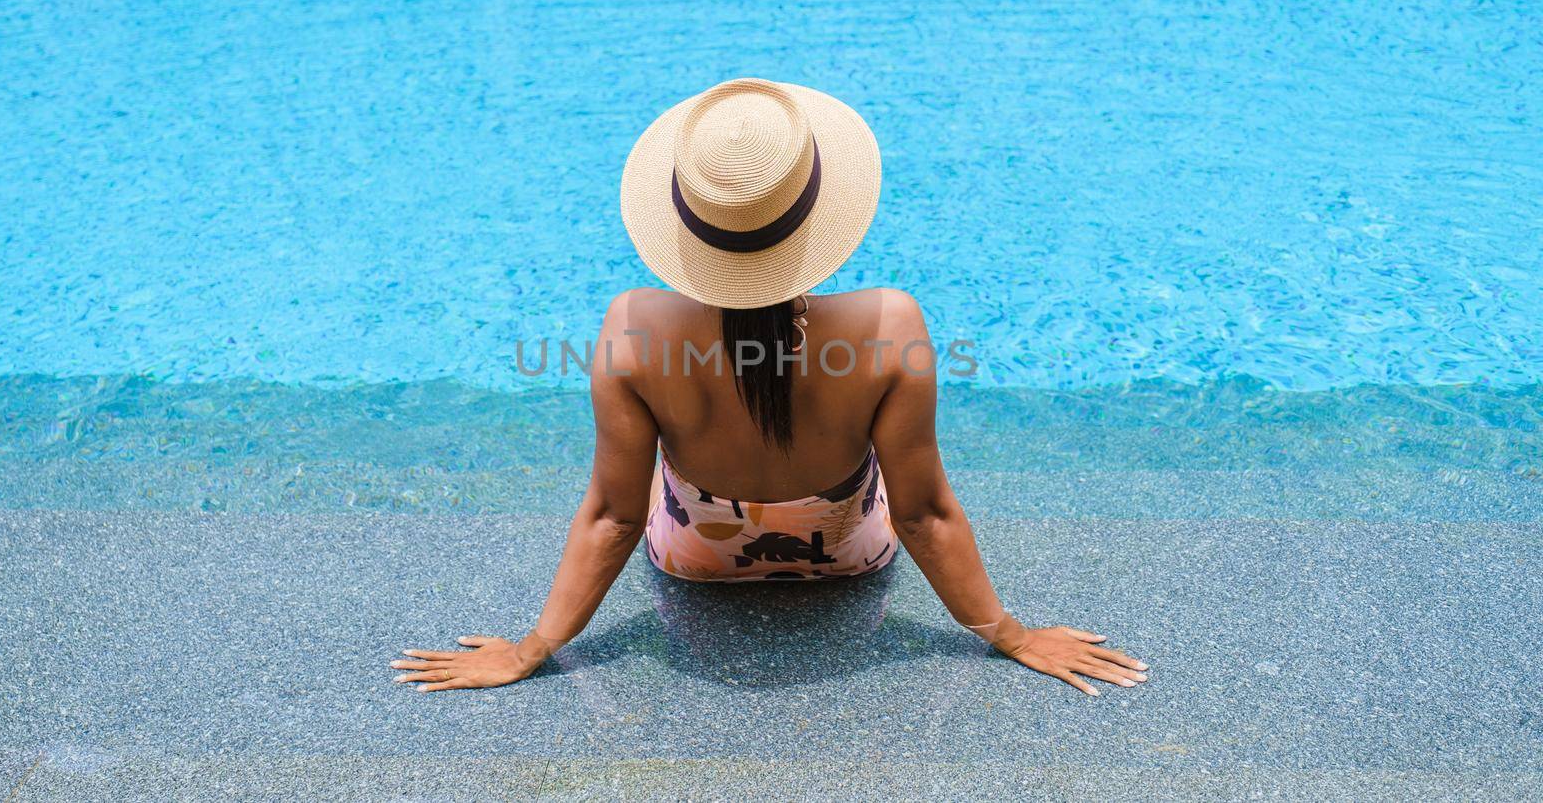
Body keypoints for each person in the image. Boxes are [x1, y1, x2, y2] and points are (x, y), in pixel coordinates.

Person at [390, 78, 1148, 696]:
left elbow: (613, 519)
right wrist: (1010, 636)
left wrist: (533, 648)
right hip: (850, 557)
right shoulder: (889, 326)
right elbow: (923, 514)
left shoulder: (632, 329)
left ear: (686, 228)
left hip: (696, 561)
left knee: (658, 489)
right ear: (817, 216)